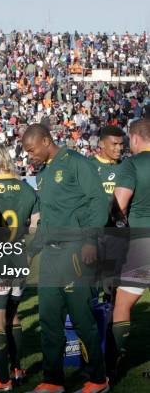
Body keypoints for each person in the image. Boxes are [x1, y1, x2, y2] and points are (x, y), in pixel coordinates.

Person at [22, 124, 110, 393]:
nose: (28, 156)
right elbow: (48, 219)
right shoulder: (44, 172)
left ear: (46, 141)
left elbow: (98, 201)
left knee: (83, 319)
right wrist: (31, 250)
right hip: (50, 255)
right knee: (49, 320)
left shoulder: (76, 163)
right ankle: (53, 380)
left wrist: (90, 240)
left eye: (31, 150)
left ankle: (97, 378)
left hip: (74, 252)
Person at [0, 143, 39, 391]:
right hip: (19, 260)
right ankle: (17, 368)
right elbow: (37, 226)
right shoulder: (26, 190)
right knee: (12, 316)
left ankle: (3, 380)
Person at [110, 118, 150, 380]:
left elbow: (120, 204)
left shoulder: (132, 163)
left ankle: (115, 361)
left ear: (135, 138)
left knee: (122, 304)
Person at [89, 126, 125, 301]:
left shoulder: (126, 168)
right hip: (93, 236)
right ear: (102, 144)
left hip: (115, 236)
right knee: (91, 286)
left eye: (121, 144)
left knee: (112, 288)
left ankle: (109, 324)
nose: (119, 148)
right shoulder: (88, 167)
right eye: (114, 144)